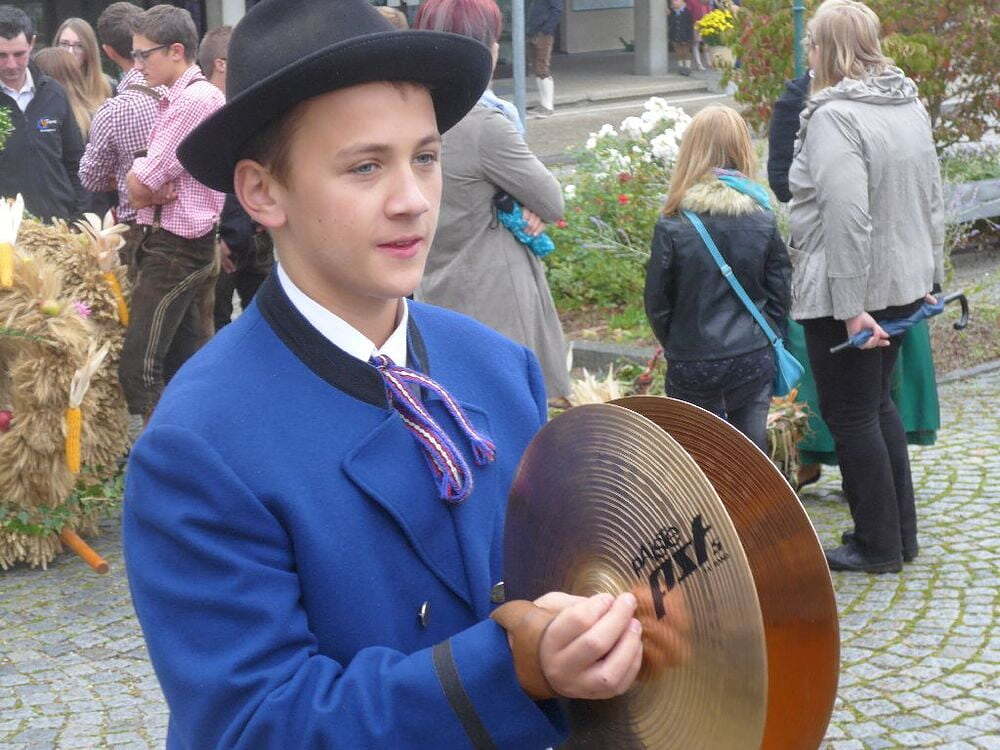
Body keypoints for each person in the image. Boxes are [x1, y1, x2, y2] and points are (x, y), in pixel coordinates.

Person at [123, 0, 667, 746]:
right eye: (365, 166)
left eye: (426, 157)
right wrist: (510, 670)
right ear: (262, 192)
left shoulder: (498, 367)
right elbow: (255, 725)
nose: (412, 200)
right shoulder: (199, 442)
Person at [789, 0, 944, 573]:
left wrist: (852, 308)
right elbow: (932, 195)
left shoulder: (835, 116)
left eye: (810, 44)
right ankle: (898, 537)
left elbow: (846, 216)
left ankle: (877, 545)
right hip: (902, 282)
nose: (807, 54)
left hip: (849, 293)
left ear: (826, 49)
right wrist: (931, 276)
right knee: (877, 405)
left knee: (853, 415)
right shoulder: (907, 103)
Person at [413, 0, 572, 402]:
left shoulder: (412, 118)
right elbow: (551, 201)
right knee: (512, 415)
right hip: (496, 300)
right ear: (485, 49)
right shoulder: (484, 125)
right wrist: (521, 198)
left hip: (432, 293)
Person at [645, 105, 791, 451]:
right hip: (751, 352)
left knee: (698, 457)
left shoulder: (674, 223)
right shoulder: (761, 217)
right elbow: (781, 292)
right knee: (750, 456)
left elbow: (658, 303)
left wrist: (678, 342)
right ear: (743, 149)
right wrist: (765, 334)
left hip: (692, 357)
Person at [119, 4, 225, 420]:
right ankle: (189, 441)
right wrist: (144, 185)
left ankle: (163, 451)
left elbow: (140, 185)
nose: (137, 64)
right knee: (184, 362)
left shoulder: (195, 100)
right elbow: (140, 186)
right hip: (171, 243)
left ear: (176, 51)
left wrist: (145, 186)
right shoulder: (178, 97)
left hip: (177, 248)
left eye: (144, 54)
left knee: (139, 368)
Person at [197, 24, 274, 330]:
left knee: (270, 323)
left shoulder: (247, 104)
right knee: (216, 326)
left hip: (258, 236)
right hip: (223, 240)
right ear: (221, 64)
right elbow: (201, 180)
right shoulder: (200, 109)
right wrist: (217, 238)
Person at [79, 1, 165, 269]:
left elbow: (91, 179)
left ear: (108, 51)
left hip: (138, 230)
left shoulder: (114, 111)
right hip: (193, 225)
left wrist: (121, 176)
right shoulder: (183, 89)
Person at [0, 6, 85, 222]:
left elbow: (77, 162)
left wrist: (78, 218)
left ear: (32, 44)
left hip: (59, 226)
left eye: (19, 54)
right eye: (1, 55)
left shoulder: (53, 92)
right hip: (7, 230)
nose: (11, 65)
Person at [53, 18, 112, 107]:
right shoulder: (47, 87)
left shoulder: (107, 87)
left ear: (89, 51)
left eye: (79, 46)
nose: (70, 52)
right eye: (64, 44)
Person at [526, 0, 562, 116]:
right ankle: (544, 104)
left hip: (543, 34)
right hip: (534, 32)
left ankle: (548, 106)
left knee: (542, 68)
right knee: (537, 68)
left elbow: (557, 10)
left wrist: (546, 30)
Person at [668, 0, 695, 77]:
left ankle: (687, 67)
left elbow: (690, 26)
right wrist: (669, 15)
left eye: (676, 1)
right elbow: (670, 23)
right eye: (673, 2)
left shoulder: (687, 12)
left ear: (682, 2)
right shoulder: (673, 13)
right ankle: (681, 67)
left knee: (686, 52)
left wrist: (689, 37)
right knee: (678, 52)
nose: (674, 3)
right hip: (675, 35)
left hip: (685, 36)